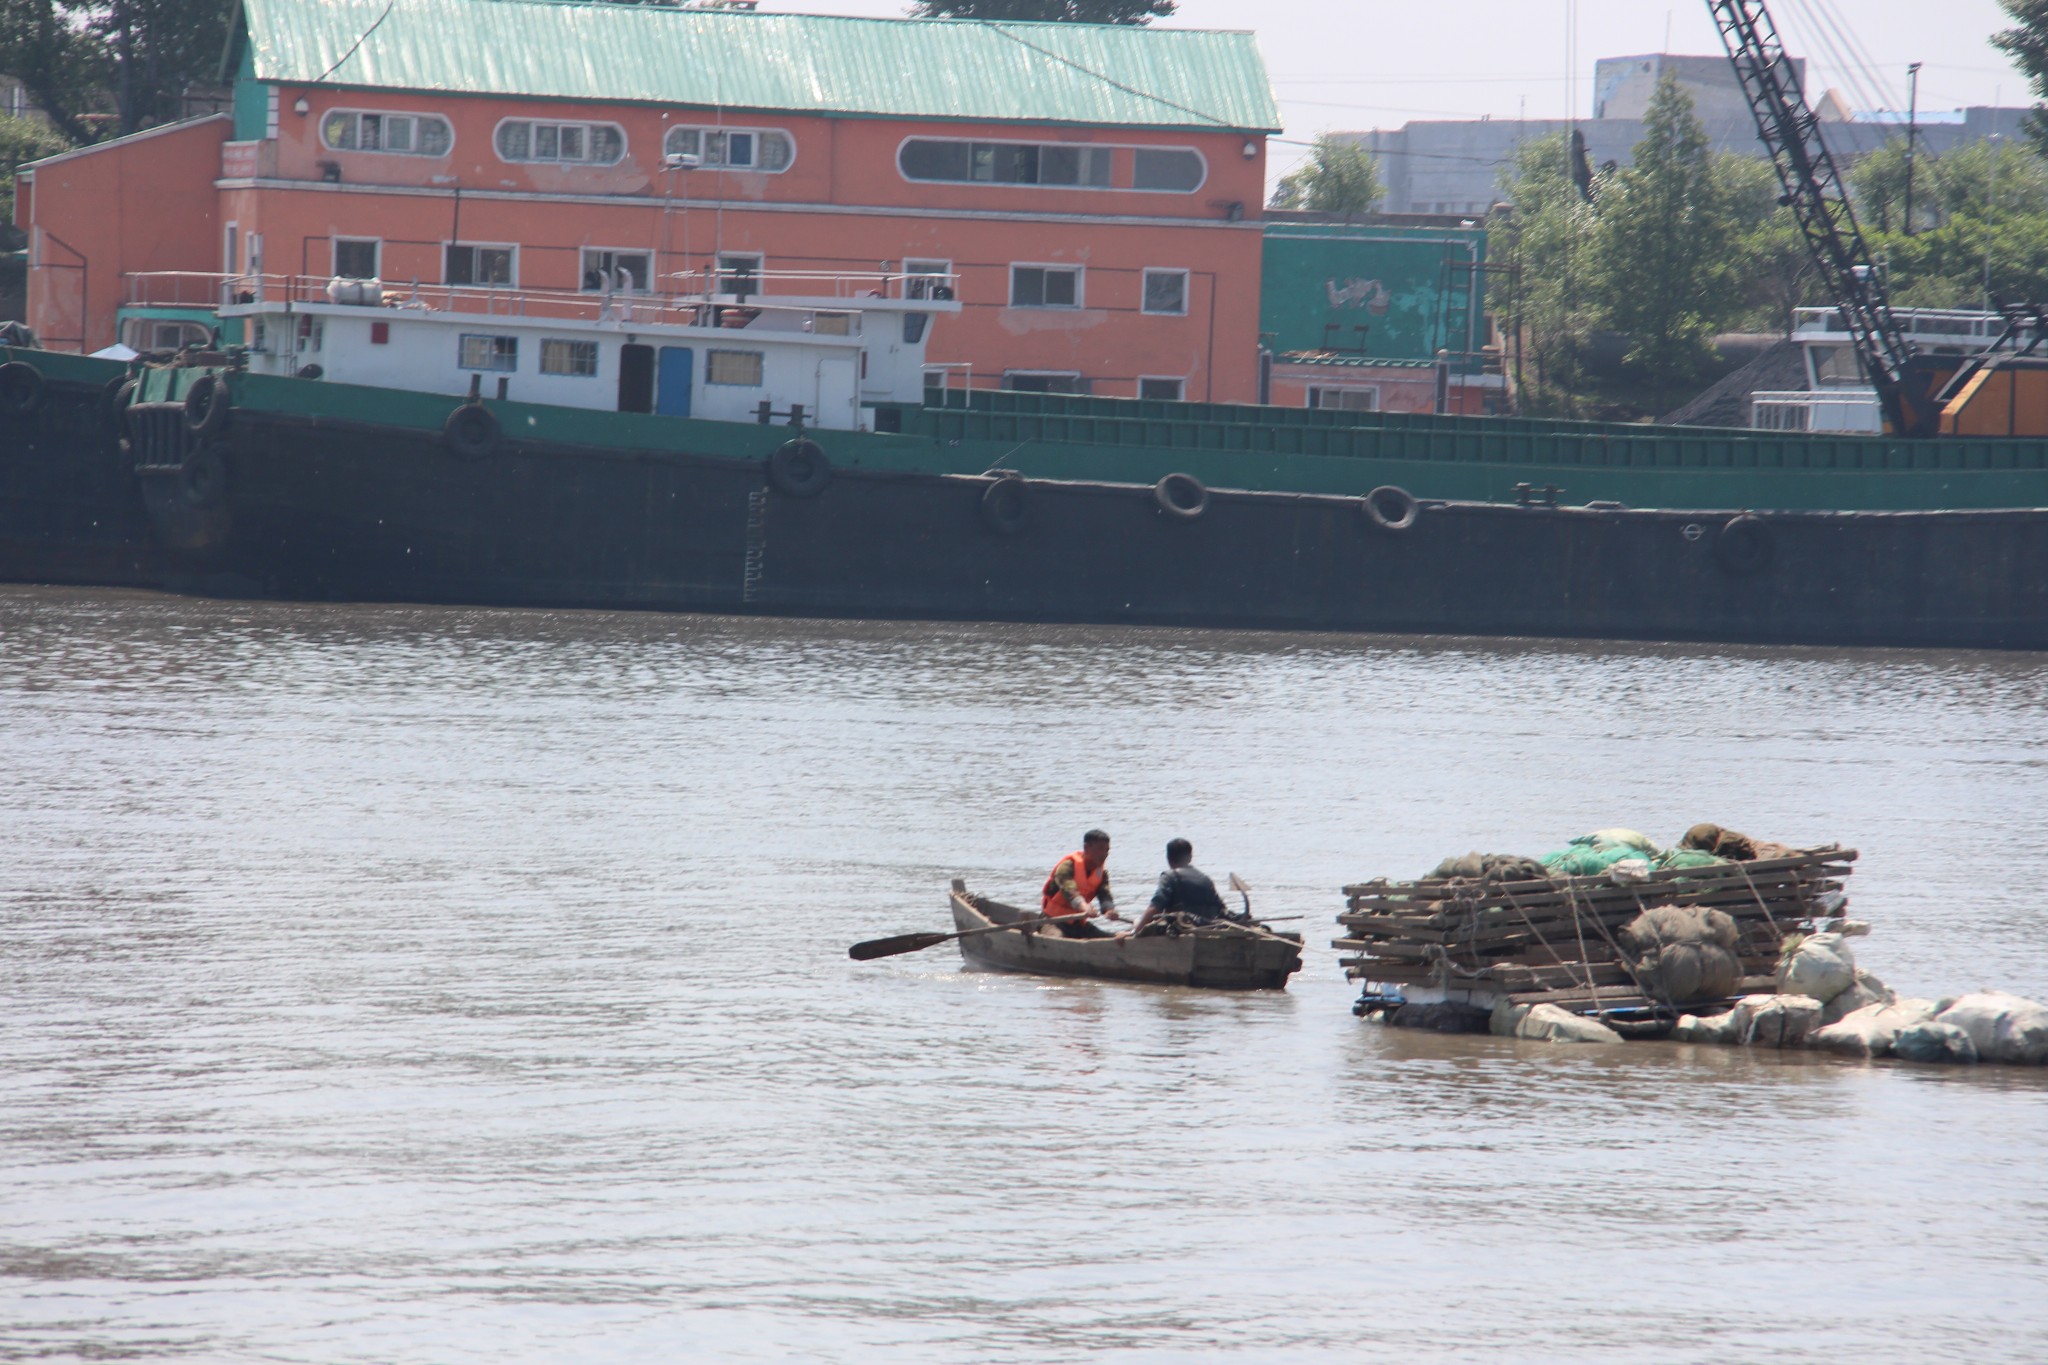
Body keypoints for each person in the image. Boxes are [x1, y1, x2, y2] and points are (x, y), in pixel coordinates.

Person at [1129, 838, 1228, 937]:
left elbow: (1155, 908)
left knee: (1138, 921)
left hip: (1180, 930)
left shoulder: (1169, 876)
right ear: (1190, 858)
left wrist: (1135, 931)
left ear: (1168, 858)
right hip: (1208, 929)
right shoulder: (1205, 879)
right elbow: (1222, 909)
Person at [1041, 829, 1120, 937]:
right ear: (1086, 848)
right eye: (1100, 849)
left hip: (1079, 925)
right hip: (1053, 922)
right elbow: (1069, 890)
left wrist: (1110, 910)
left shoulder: (1101, 874)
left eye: (1107, 850)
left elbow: (1105, 895)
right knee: (1058, 940)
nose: (1104, 854)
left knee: (1116, 938)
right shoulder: (1067, 866)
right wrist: (1084, 907)